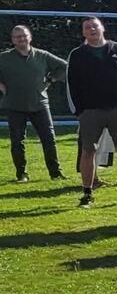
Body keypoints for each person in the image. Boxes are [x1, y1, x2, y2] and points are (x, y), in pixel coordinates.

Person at [66, 16, 117, 207]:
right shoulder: (77, 54)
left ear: (102, 28)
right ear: (83, 32)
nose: (92, 30)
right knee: (88, 151)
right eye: (87, 27)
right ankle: (87, 193)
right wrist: (79, 111)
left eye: (95, 26)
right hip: (90, 112)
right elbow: (71, 85)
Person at [2, 25, 66, 182]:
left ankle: (55, 173)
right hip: (14, 105)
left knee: (49, 139)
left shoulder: (42, 55)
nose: (21, 39)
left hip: (40, 104)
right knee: (17, 141)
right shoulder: (4, 58)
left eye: (24, 35)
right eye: (17, 37)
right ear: (12, 40)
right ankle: (21, 174)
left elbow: (65, 66)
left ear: (30, 37)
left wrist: (51, 79)